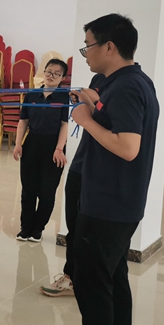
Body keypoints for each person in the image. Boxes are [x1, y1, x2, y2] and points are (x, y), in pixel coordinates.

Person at [41, 14, 159, 325]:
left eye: (88, 45)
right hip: (118, 202)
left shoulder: (126, 87)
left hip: (108, 205)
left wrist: (85, 119)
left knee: (93, 290)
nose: (84, 53)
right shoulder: (127, 82)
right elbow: (117, 119)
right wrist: (94, 103)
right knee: (113, 280)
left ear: (109, 46)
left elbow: (128, 147)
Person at [40, 73, 106, 298]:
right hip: (81, 164)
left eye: (88, 52)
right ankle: (72, 277)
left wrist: (93, 102)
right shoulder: (99, 78)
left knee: (90, 232)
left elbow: (112, 125)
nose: (86, 57)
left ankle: (84, 281)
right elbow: (95, 113)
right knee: (74, 226)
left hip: (100, 170)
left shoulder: (127, 85)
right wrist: (85, 102)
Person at [12, 59, 70, 243]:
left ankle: (38, 229)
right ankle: (25, 228)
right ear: (43, 72)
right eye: (49, 71)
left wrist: (59, 148)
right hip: (32, 142)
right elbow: (23, 121)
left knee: (47, 191)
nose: (51, 76)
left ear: (62, 77)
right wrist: (18, 143)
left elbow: (64, 124)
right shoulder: (32, 94)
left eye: (56, 73)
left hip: (53, 146)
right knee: (28, 189)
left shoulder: (64, 97)